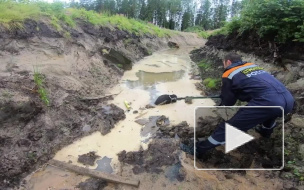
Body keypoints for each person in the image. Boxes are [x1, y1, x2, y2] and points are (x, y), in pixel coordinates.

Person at [182, 52, 295, 158]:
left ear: (228, 62)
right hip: (288, 99)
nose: (224, 66)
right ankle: (266, 132)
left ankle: (198, 150)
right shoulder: (253, 66)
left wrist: (222, 102)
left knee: (227, 128)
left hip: (267, 102)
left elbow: (229, 102)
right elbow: (254, 86)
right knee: (271, 113)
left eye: (224, 64)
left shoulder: (229, 73)